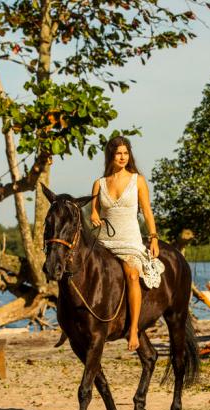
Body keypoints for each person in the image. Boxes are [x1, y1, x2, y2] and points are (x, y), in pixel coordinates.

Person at [90, 136, 165, 351]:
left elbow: (147, 211)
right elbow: (93, 211)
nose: (122, 157)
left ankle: (133, 330)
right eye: (118, 153)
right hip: (105, 241)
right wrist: (94, 216)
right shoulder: (100, 183)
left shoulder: (137, 180)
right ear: (111, 156)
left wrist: (153, 237)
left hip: (130, 239)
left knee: (132, 274)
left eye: (125, 153)